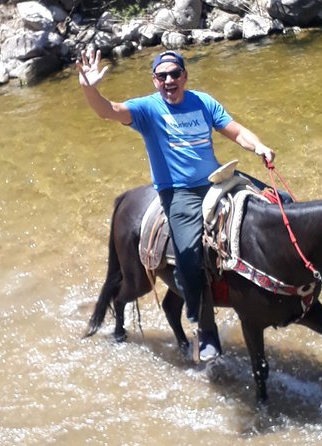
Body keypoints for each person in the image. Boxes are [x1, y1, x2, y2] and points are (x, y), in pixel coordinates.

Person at [77, 49, 275, 361]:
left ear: (185, 76)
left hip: (217, 179)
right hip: (179, 192)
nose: (169, 80)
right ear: (154, 80)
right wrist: (89, 88)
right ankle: (205, 330)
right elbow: (108, 110)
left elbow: (235, 131)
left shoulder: (203, 101)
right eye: (162, 75)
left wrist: (259, 145)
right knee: (188, 253)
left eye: (174, 74)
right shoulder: (147, 109)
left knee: (279, 204)